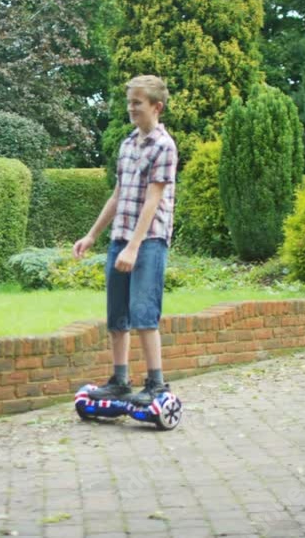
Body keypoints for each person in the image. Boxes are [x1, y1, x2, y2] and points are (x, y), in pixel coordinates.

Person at [73, 74, 178, 407]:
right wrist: (92, 235)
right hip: (120, 238)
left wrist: (134, 246)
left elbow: (153, 201)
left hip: (149, 241)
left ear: (156, 107)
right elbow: (117, 195)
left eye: (137, 103)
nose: (131, 108)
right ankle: (120, 381)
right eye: (129, 102)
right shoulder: (128, 143)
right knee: (117, 315)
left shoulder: (164, 146)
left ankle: (156, 384)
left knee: (143, 313)